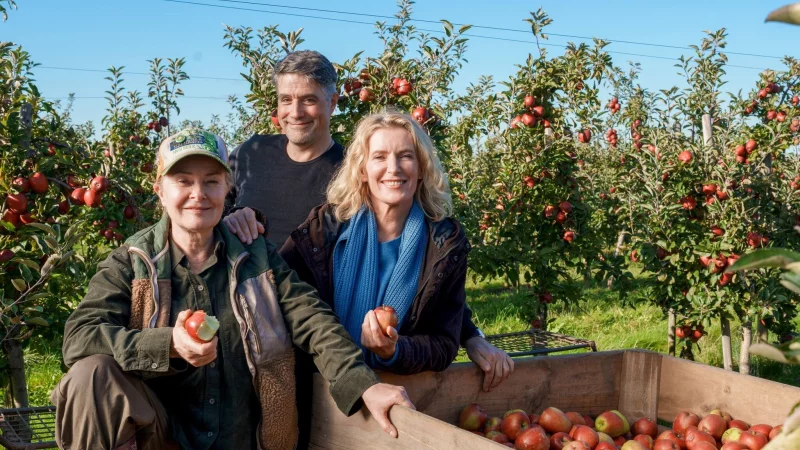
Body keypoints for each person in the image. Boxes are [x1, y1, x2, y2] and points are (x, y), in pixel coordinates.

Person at [51, 128, 414, 450]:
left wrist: (364, 384)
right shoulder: (132, 263)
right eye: (183, 181)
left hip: (242, 437)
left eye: (211, 181)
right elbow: (79, 338)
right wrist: (169, 344)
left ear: (228, 188)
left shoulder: (256, 258)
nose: (198, 194)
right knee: (91, 374)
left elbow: (313, 320)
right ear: (160, 190)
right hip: (160, 436)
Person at [224, 50, 514, 391]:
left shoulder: (351, 180)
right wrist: (231, 215)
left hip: (320, 357)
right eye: (286, 99)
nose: (295, 112)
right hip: (254, 332)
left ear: (332, 103)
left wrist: (471, 336)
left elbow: (432, 285)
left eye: (308, 100)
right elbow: (212, 208)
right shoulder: (250, 153)